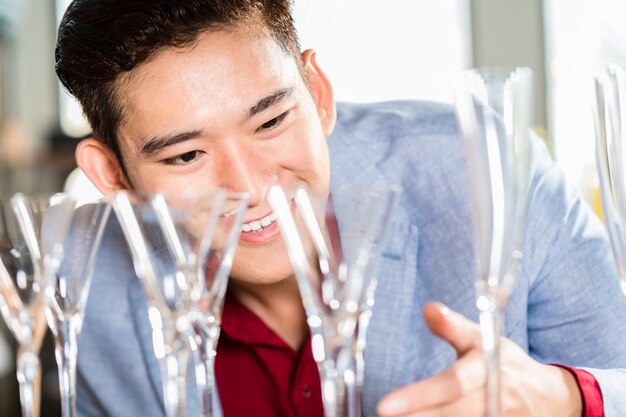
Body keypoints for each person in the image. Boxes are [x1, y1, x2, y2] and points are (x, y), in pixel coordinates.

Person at [55, 1, 626, 416]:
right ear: (111, 175)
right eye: (186, 155)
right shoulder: (80, 287)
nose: (252, 187)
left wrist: (570, 397)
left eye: (272, 121)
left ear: (318, 95)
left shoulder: (489, 174)